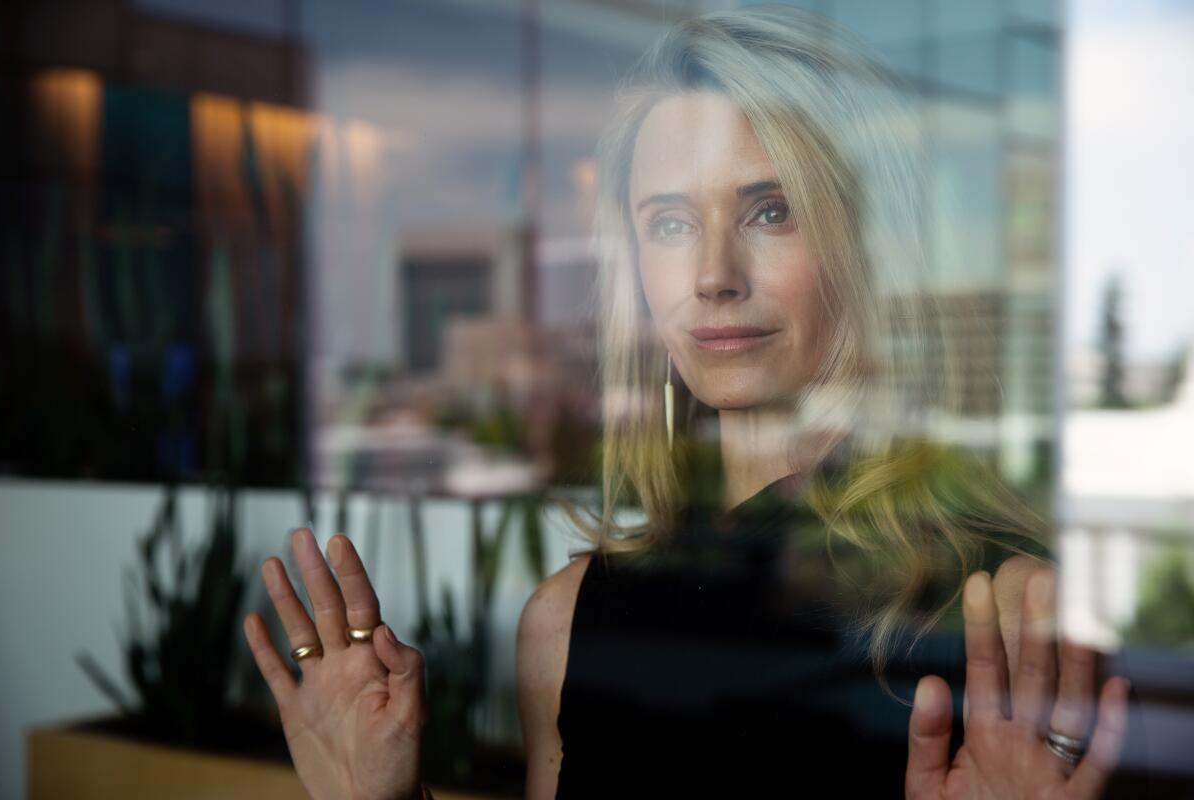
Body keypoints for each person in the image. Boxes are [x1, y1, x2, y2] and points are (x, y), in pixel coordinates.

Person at [242, 6, 1133, 799]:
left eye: (770, 209)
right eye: (670, 223)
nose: (712, 276)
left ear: (866, 242)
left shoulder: (1005, 613)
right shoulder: (563, 623)